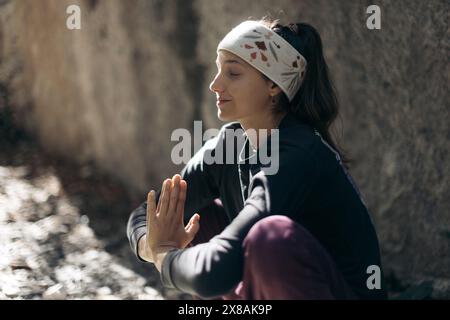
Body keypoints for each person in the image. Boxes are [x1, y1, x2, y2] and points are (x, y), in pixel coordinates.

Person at [127, 18, 387, 300]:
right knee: (197, 213)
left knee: (269, 238)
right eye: (218, 71)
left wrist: (166, 257)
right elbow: (147, 215)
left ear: (273, 86)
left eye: (233, 74)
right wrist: (150, 245)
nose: (216, 84)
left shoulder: (299, 154)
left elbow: (213, 274)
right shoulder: (229, 145)